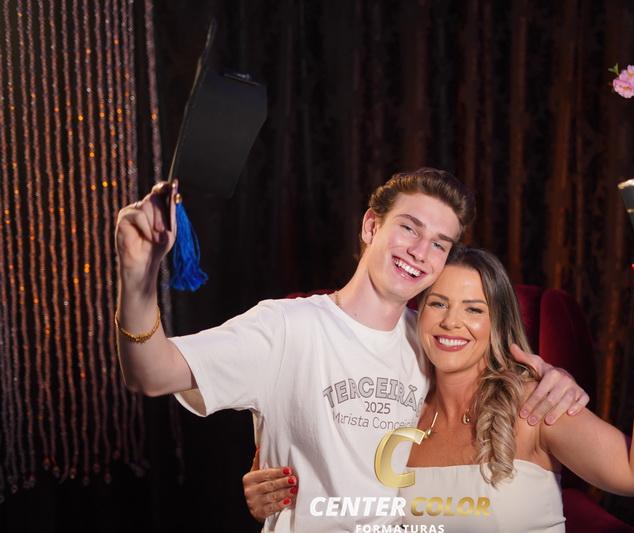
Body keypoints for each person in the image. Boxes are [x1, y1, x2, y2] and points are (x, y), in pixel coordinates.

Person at [114, 168, 590, 533]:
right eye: (409, 228)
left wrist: (554, 380)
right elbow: (152, 373)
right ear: (370, 226)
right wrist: (138, 278)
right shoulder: (287, 326)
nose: (419, 251)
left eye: (438, 244)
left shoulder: (434, 341)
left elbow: (499, 390)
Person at [244, 245, 634, 531]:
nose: (451, 322)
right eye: (438, 303)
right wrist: (269, 493)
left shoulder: (533, 404)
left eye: (473, 309)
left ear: (498, 323)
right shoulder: (391, 411)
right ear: (417, 314)